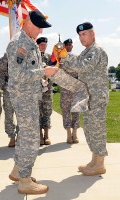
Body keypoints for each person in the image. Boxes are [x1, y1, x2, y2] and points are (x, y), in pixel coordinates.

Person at [6, 10, 58, 195]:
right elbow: (18, 74)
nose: (41, 32)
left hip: (28, 96)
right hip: (23, 97)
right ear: (27, 22)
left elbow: (30, 68)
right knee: (30, 138)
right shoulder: (19, 43)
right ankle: (25, 182)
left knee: (27, 136)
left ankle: (18, 172)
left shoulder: (30, 42)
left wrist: (43, 69)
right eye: (39, 28)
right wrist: (44, 73)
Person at [59, 22, 109, 176]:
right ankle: (94, 161)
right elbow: (72, 67)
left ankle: (100, 164)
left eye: (84, 34)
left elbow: (81, 67)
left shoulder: (96, 51)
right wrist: (59, 61)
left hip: (97, 98)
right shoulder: (85, 52)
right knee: (89, 129)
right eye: (79, 35)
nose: (81, 38)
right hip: (88, 97)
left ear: (92, 34)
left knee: (97, 129)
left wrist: (65, 56)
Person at [0, 54, 17, 148]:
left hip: (24, 90)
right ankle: (12, 136)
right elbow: (0, 76)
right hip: (8, 89)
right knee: (8, 114)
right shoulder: (4, 59)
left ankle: (19, 137)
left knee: (22, 115)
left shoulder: (26, 55)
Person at [59, 38, 79, 144]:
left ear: (72, 46)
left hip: (75, 89)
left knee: (76, 111)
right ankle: (68, 134)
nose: (68, 46)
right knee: (65, 112)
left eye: (70, 45)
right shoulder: (60, 58)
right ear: (64, 46)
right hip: (65, 90)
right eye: (66, 45)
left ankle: (75, 133)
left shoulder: (77, 58)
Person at [36, 37, 52, 145]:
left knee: (47, 112)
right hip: (36, 89)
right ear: (37, 45)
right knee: (37, 112)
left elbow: (54, 70)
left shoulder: (50, 57)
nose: (43, 46)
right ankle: (40, 136)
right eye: (41, 44)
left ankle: (46, 135)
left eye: (45, 45)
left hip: (47, 90)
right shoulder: (33, 57)